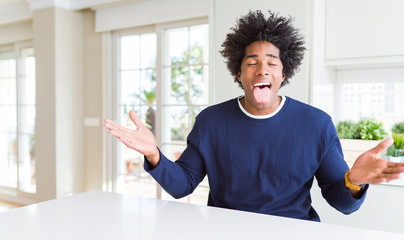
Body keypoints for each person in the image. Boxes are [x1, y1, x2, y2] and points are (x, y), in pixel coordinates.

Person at [104, 10, 404, 221]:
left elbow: (342, 203)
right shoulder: (211, 121)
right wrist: (154, 155)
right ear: (238, 72)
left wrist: (354, 180)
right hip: (226, 232)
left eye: (272, 62)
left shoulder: (316, 124)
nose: (262, 69)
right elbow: (182, 185)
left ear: (284, 73)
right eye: (252, 62)